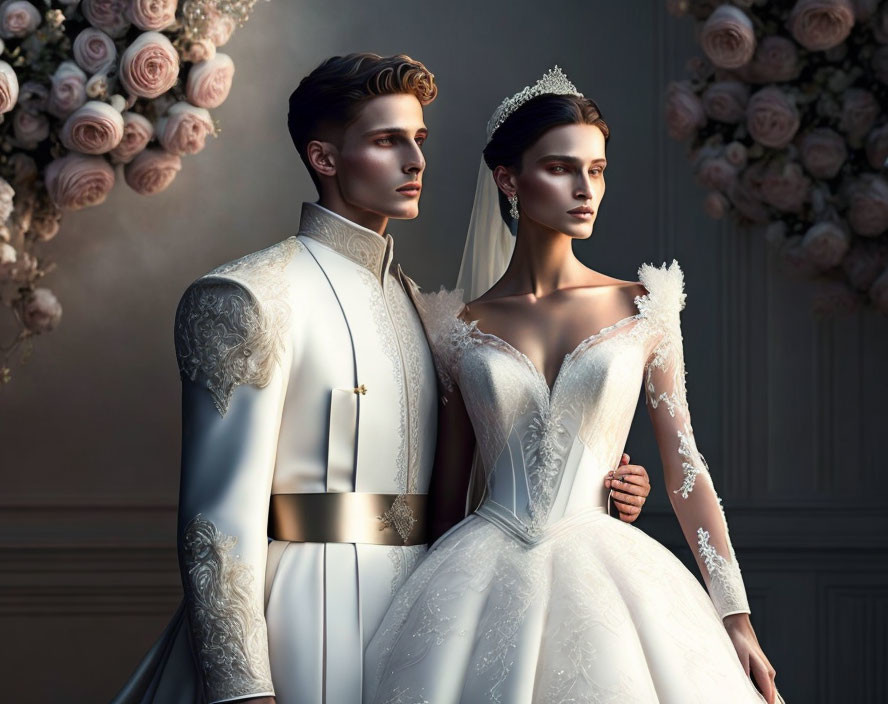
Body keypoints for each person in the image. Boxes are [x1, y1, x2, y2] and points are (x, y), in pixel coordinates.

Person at [111, 56, 652, 704]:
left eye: (418, 140)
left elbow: (490, 475)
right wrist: (241, 690)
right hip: (305, 619)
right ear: (325, 158)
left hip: (426, 614)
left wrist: (601, 487)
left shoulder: (424, 310)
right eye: (386, 140)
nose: (415, 161)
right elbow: (216, 523)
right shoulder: (251, 295)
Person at [364, 67, 781, 704]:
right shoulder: (456, 326)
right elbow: (447, 495)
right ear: (508, 179)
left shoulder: (645, 305)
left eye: (598, 169)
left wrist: (736, 617)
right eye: (561, 168)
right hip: (475, 574)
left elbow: (685, 467)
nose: (586, 189)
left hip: (612, 572)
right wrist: (410, 608)